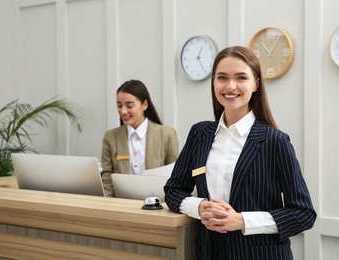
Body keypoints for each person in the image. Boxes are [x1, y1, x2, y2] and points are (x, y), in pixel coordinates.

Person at [164, 46, 316, 259]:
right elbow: (173, 190)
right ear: (213, 83)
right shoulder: (200, 133)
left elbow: (303, 214)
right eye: (222, 77)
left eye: (241, 77)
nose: (230, 86)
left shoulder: (275, 141)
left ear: (255, 84)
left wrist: (242, 221)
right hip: (208, 252)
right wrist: (199, 207)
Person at [101, 79, 179, 197]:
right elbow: (107, 178)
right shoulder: (110, 137)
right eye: (119, 105)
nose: (123, 111)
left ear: (145, 105)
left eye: (129, 105)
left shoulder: (167, 135)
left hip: (158, 204)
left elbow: (176, 175)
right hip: (122, 203)